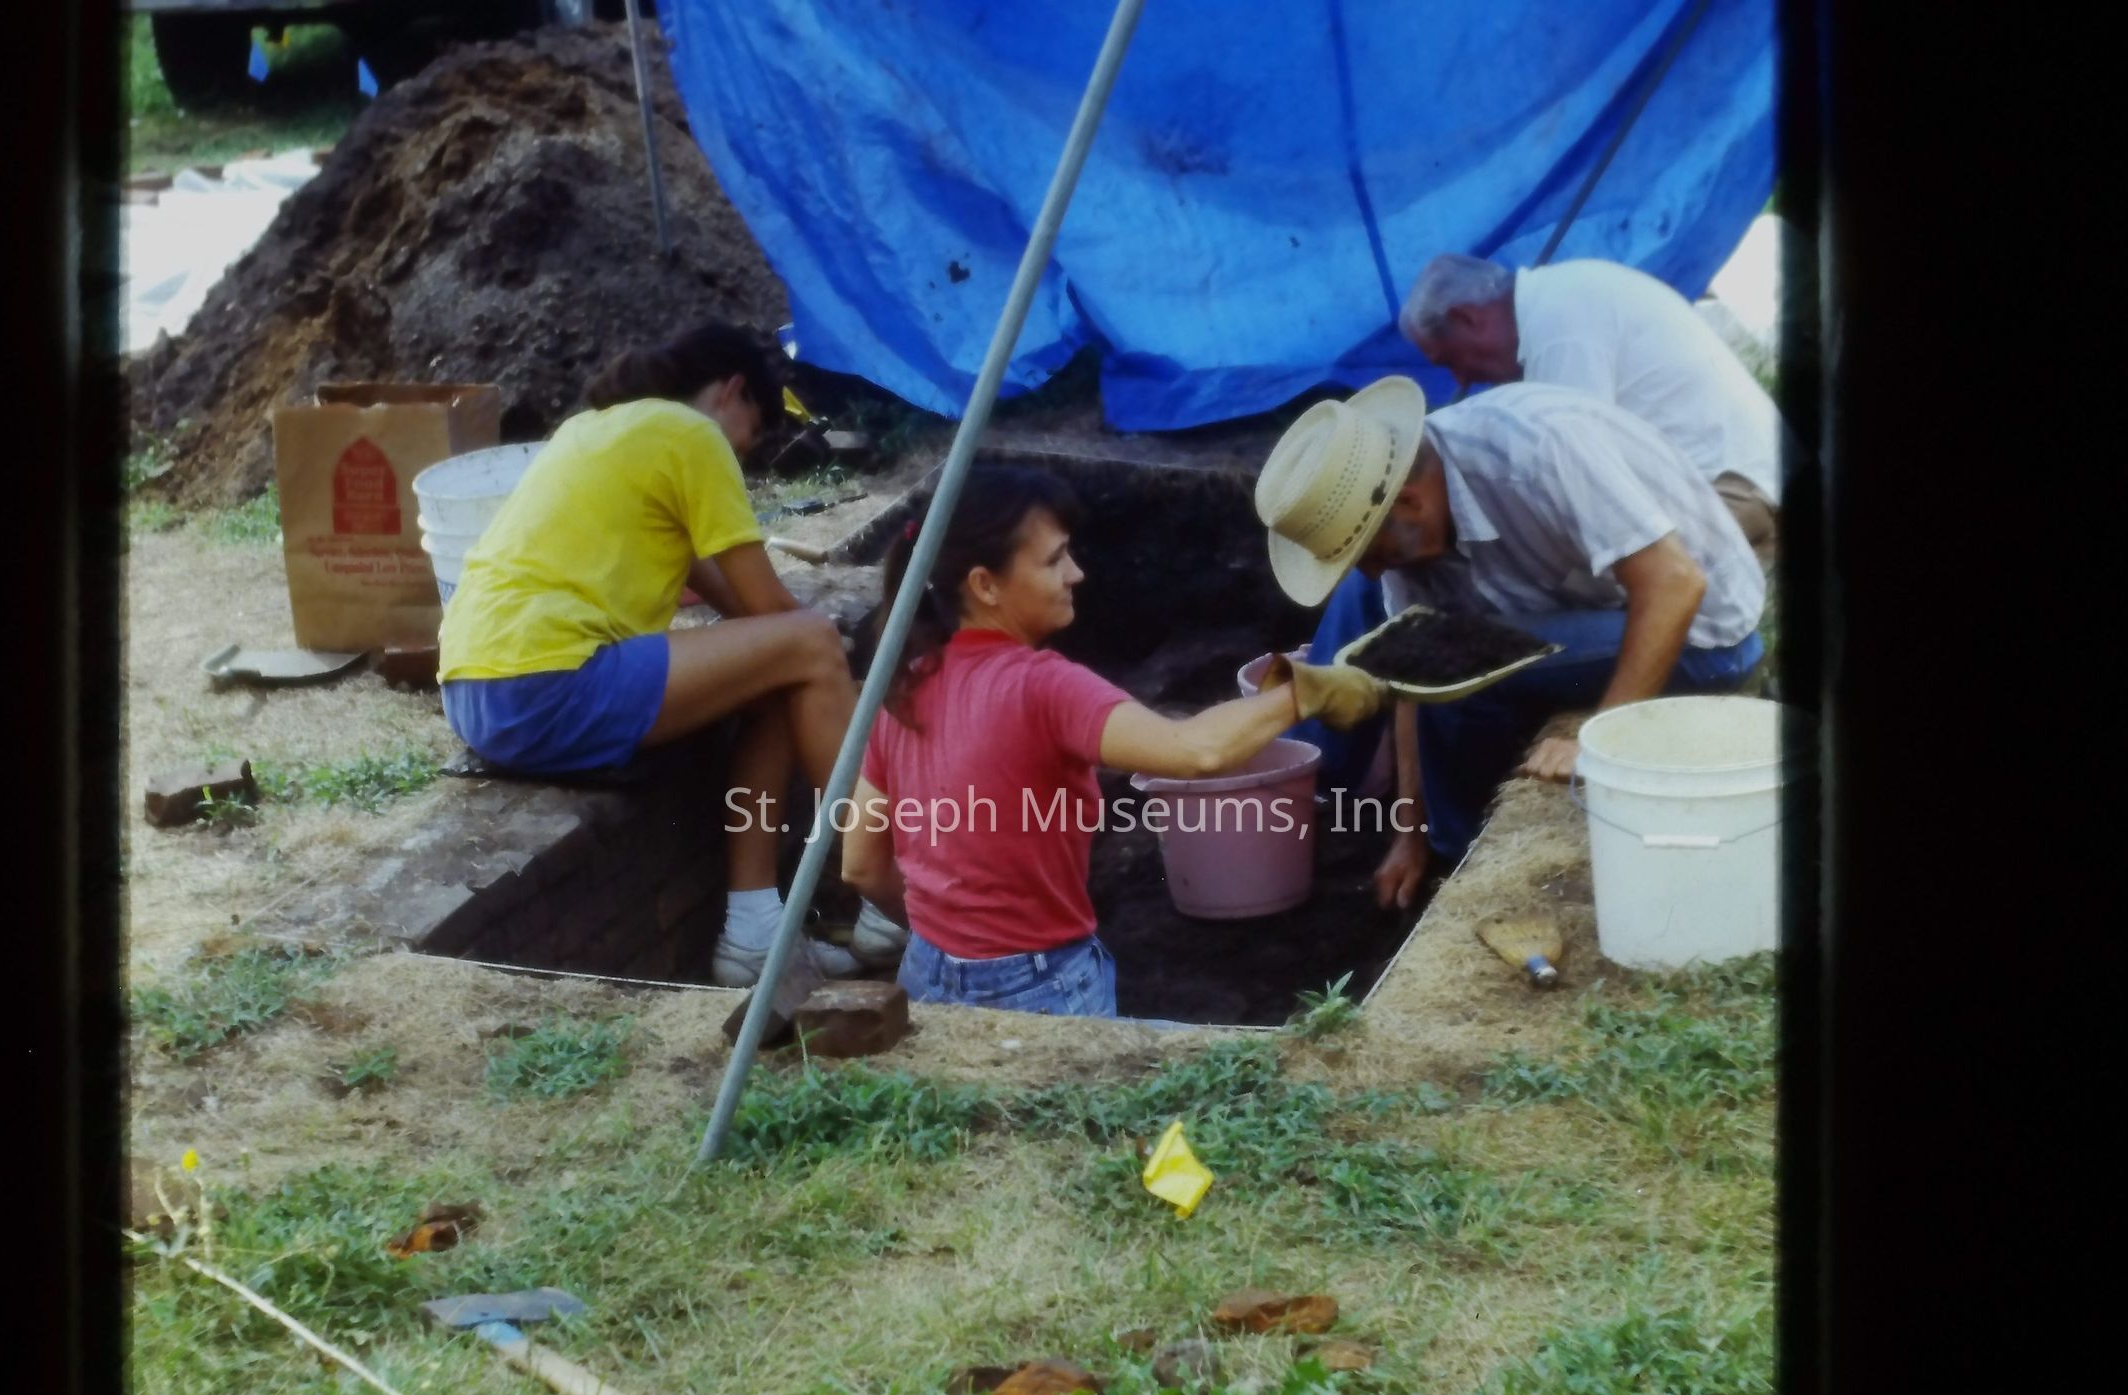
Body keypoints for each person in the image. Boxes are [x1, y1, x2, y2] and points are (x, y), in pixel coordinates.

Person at [837, 467, 1385, 1019]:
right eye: (1054, 560)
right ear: (985, 585)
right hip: (1038, 986)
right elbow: (1195, 751)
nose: (1076, 573)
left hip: (926, 976)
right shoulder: (1043, 687)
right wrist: (1305, 693)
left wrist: (952, 945)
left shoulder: (904, 686)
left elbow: (860, 864)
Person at [436, 322, 890, 985]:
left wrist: (807, 652)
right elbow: (774, 611)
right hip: (548, 682)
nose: (741, 456)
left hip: (477, 692)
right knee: (812, 644)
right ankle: (890, 894)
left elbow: (744, 611)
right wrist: (834, 653)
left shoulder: (595, 429)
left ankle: (755, 935)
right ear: (731, 391)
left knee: (780, 672)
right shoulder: (692, 434)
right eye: (749, 436)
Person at [1254, 376, 1767, 909]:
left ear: (1408, 501)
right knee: (1418, 641)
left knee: (1458, 664)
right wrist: (1409, 834)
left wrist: (1598, 744)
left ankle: (1464, 869)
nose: (1373, 570)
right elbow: (1411, 679)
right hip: (1594, 607)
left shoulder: (1539, 450)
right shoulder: (1406, 503)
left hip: (1707, 634)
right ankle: (1445, 854)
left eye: (1370, 552)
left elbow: (1677, 585)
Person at [1395, 252, 1783, 555]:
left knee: (1626, 592)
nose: (1462, 380)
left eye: (1449, 359)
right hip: (1735, 478)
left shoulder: (1557, 324)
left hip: (1725, 487)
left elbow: (1576, 477)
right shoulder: (1560, 297)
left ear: (1466, 318)